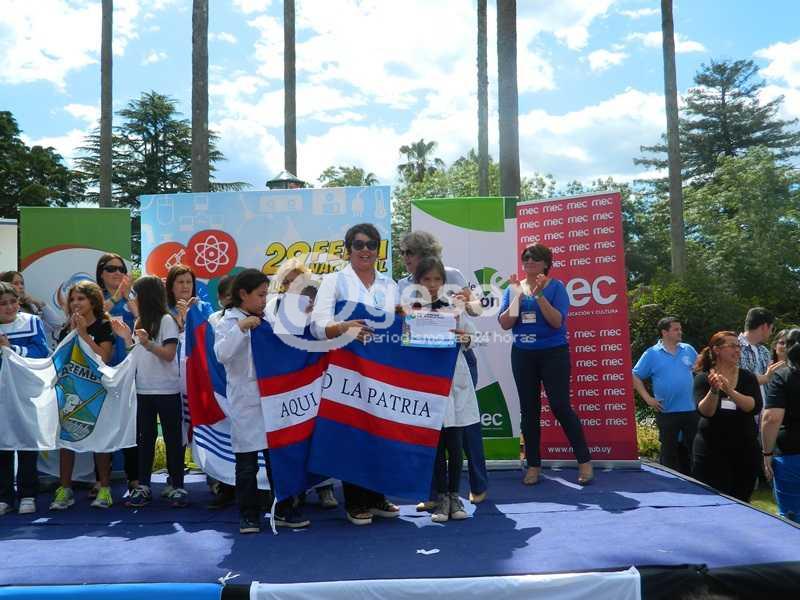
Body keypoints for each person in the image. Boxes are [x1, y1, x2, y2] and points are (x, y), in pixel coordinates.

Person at [310, 223, 401, 525]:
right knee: (353, 432)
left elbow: (399, 325)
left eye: (371, 244)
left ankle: (376, 496)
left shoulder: (390, 284)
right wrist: (343, 327)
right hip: (347, 369)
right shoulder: (334, 281)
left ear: (378, 250)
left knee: (381, 429)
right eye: (359, 244)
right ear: (348, 249)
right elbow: (317, 326)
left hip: (384, 370)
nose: (365, 250)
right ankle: (356, 501)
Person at [397, 231, 489, 506]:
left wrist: (467, 303)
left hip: (458, 359)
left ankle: (477, 484)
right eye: (402, 252)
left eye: (409, 252)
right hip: (424, 366)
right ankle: (433, 493)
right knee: (428, 429)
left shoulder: (453, 274)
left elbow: (475, 310)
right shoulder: (402, 283)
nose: (405, 257)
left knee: (466, 426)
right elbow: (402, 325)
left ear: (425, 253)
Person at [214, 269, 309, 533]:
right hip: (245, 402)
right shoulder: (227, 321)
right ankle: (249, 515)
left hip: (272, 400)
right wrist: (241, 329)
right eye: (260, 295)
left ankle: (283, 509)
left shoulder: (268, 319)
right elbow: (222, 354)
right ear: (243, 294)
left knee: (277, 459)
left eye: (266, 295)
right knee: (246, 464)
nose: (264, 300)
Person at [498, 243, 593, 486]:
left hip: (553, 353)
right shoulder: (513, 288)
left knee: (560, 406)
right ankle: (533, 466)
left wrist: (539, 295)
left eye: (536, 258)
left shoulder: (557, 287)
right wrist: (517, 297)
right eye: (526, 257)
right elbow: (505, 323)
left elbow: (556, 322)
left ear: (546, 264)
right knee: (529, 411)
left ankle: (584, 462)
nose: (529, 261)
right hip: (523, 354)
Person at [411, 257, 478, 522]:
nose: (432, 284)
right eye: (426, 279)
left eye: (437, 279)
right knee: (436, 445)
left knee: (456, 442)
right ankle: (441, 499)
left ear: (443, 281)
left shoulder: (454, 307)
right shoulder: (411, 311)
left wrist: (465, 338)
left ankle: (454, 497)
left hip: (454, 382)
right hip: (428, 385)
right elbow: (403, 345)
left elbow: (474, 336)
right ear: (418, 282)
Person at [113, 276, 187, 508]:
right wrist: (128, 338)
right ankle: (143, 485)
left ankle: (177, 485)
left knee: (173, 439)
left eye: (135, 294)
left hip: (167, 389)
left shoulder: (167, 320)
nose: (132, 299)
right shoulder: (140, 321)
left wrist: (147, 343)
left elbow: (169, 355)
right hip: (143, 390)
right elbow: (136, 356)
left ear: (146, 296)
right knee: (144, 439)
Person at [50, 281, 116, 510]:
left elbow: (104, 358)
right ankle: (65, 489)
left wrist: (84, 335)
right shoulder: (65, 329)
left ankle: (105, 489)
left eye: (81, 298)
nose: (75, 303)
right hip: (71, 393)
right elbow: (60, 360)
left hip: (97, 393)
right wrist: (72, 333)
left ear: (93, 301)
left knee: (101, 440)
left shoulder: (103, 326)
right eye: (72, 299)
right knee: (67, 441)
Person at [692, 331, 762, 502]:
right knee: (713, 501)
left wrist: (730, 391)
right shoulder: (703, 378)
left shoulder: (748, 377)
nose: (737, 350)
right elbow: (705, 411)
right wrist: (714, 390)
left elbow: (753, 407)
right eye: (732, 346)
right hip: (712, 451)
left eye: (738, 346)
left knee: (742, 501)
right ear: (717, 350)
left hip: (745, 451)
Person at [0, 282, 50, 516]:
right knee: (2, 446)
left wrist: (11, 349)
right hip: (2, 395)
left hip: (26, 393)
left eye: (13, 302)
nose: (10, 307)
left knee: (27, 443)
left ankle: (28, 493)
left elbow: (41, 352)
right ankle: (4, 496)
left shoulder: (31, 322)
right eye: (3, 303)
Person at [95, 253, 139, 495]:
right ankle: (101, 479)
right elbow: (95, 316)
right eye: (111, 269)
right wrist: (115, 297)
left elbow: (142, 318)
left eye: (121, 269)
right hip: (103, 369)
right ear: (101, 273)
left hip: (130, 369)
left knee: (131, 423)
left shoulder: (132, 296)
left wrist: (128, 295)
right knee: (103, 424)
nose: (117, 273)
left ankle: (134, 478)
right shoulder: (95, 296)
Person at [632, 317, 699, 474]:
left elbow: (701, 368)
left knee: (693, 451)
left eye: (680, 329)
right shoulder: (652, 353)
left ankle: (695, 482)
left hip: (690, 409)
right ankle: (669, 483)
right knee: (669, 453)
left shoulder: (688, 349)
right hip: (667, 410)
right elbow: (634, 375)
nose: (680, 332)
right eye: (676, 329)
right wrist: (648, 399)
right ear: (664, 332)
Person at [761, 328, 800, 522]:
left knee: (792, 518)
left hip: (791, 453)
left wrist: (766, 453)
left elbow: (772, 419)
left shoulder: (783, 376)